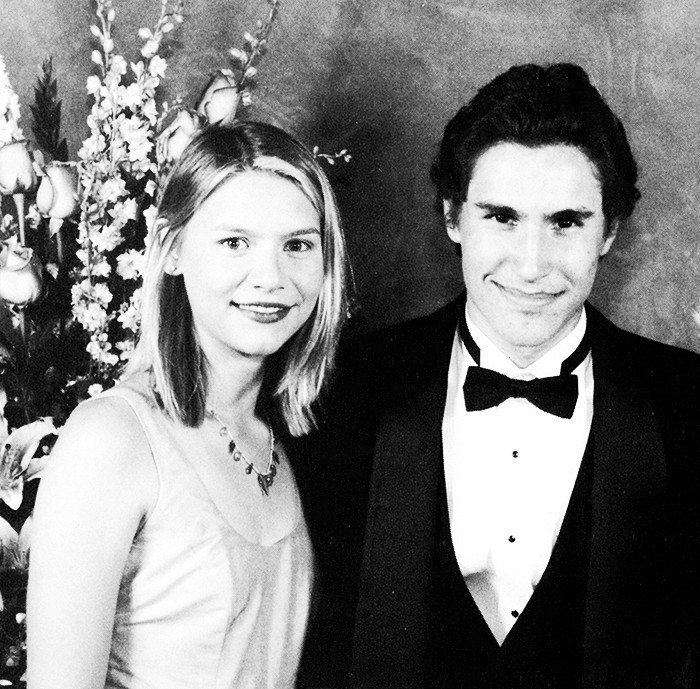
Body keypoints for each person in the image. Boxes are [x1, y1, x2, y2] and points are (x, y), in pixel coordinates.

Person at [300, 63, 700, 689]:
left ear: (610, 232)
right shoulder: (342, 391)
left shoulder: (691, 405)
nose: (532, 265)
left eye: (566, 222)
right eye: (502, 217)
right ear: (452, 217)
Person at [26, 121, 349, 689]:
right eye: (234, 243)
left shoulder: (296, 438)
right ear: (172, 250)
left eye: (297, 245)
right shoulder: (113, 437)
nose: (270, 278)